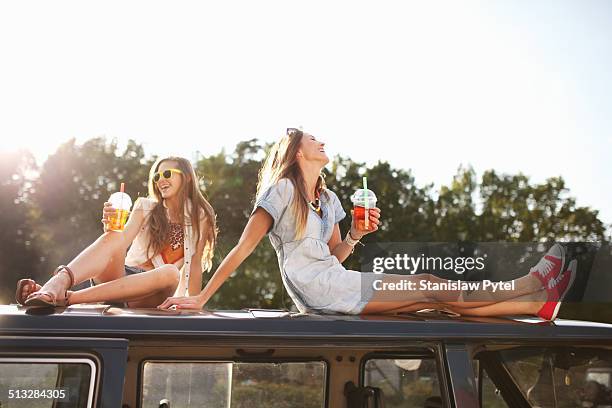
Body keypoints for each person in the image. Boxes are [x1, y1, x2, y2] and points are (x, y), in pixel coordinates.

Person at [159, 129, 575, 320]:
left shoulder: (331, 199)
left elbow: (336, 256)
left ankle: (538, 304)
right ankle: (530, 282)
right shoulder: (283, 191)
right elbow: (243, 248)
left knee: (437, 302)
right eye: (313, 140)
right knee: (431, 284)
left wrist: (356, 234)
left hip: (335, 280)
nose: (322, 142)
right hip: (316, 287)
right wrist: (200, 298)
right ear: (297, 152)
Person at [15, 156, 217, 308]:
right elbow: (122, 240)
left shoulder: (201, 216)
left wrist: (195, 305)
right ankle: (56, 284)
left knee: (170, 272)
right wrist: (110, 229)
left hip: (153, 291)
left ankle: (69, 298)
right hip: (121, 278)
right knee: (115, 235)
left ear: (188, 178)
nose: (160, 180)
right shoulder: (145, 206)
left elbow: (196, 264)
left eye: (167, 174)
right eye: (157, 176)